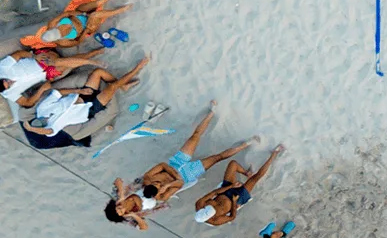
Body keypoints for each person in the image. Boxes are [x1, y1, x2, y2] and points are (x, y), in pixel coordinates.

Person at [108, 104, 256, 228]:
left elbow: (161, 166)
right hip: (186, 174)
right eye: (120, 211)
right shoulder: (159, 197)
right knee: (217, 158)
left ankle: (211, 113)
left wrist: (121, 195)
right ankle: (244, 145)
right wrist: (168, 184)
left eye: (117, 207)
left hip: (176, 164)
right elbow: (179, 184)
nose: (120, 207)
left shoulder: (143, 182)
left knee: (194, 137)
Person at [18, 56, 146, 147]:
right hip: (89, 109)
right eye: (41, 124)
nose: (42, 121)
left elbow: (58, 93)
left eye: (38, 121)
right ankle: (137, 69)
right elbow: (47, 131)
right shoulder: (53, 127)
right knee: (111, 87)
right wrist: (33, 130)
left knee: (98, 72)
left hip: (80, 96)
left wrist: (78, 91)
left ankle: (123, 86)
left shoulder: (42, 109)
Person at [16, 0, 133, 52]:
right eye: (61, 33)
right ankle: (122, 9)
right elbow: (77, 41)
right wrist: (86, 30)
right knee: (95, 16)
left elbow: (66, 14)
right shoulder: (62, 42)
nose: (62, 30)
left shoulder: (52, 24)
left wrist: (79, 13)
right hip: (85, 27)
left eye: (59, 29)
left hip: (78, 14)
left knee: (98, 2)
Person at [193, 144, 285, 226]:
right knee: (256, 177)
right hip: (236, 199)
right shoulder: (216, 220)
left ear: (202, 209)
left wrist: (231, 186)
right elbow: (232, 217)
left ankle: (247, 173)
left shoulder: (199, 204)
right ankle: (274, 154)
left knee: (233, 164)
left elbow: (214, 192)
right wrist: (234, 201)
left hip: (224, 192)